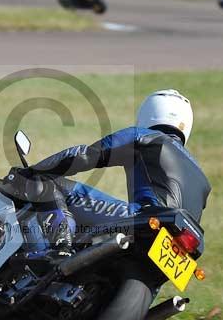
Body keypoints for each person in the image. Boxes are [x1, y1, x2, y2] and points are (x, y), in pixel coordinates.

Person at [18, 89, 211, 253]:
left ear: (148, 113)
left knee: (47, 183)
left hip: (145, 218)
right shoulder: (203, 180)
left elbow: (86, 155)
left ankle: (60, 249)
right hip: (181, 245)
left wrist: (33, 173)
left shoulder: (144, 136)